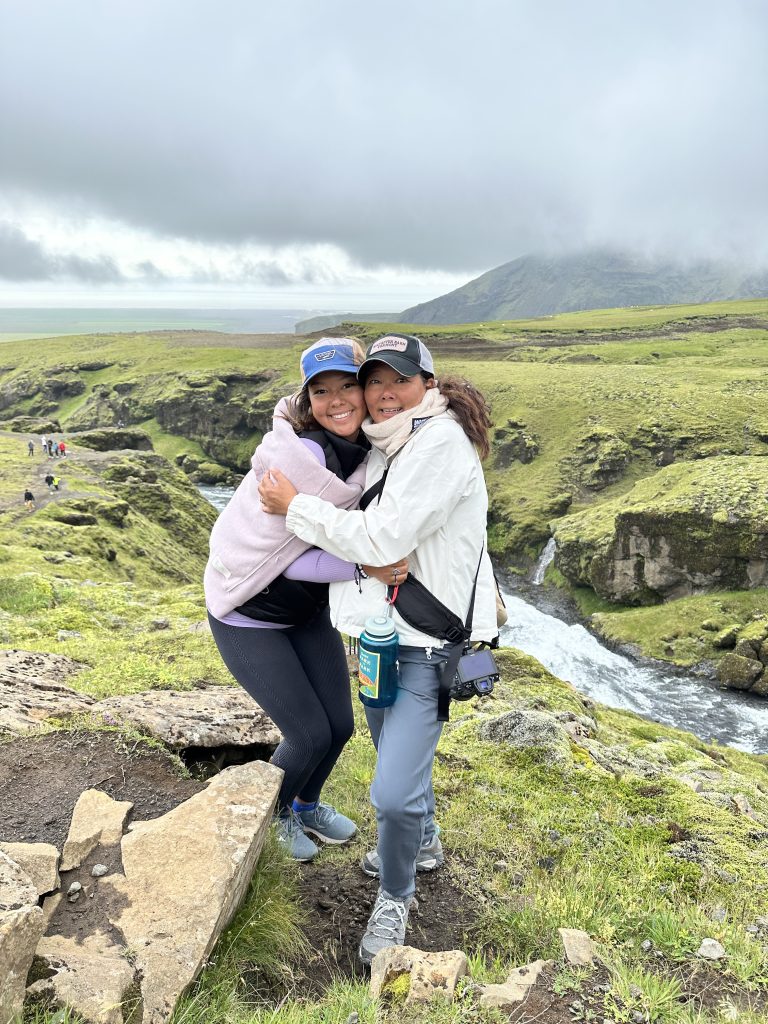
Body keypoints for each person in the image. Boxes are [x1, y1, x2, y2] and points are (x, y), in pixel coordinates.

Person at [259, 332, 497, 964]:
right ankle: (424, 842)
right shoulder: (391, 442)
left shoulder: (438, 443)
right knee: (397, 758)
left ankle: (395, 897)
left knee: (391, 792)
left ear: (428, 383)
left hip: (423, 649)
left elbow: (382, 536)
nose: (384, 392)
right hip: (378, 642)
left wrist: (296, 507)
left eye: (400, 379)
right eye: (376, 381)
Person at [204, 338, 408, 863]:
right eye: (322, 391)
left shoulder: (370, 452)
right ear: (308, 400)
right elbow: (285, 558)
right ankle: (269, 819)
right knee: (307, 732)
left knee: (339, 726)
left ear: (365, 392)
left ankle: (305, 801)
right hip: (248, 613)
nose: (336, 400)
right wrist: (365, 563)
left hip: (304, 610)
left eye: (347, 387)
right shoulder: (302, 457)